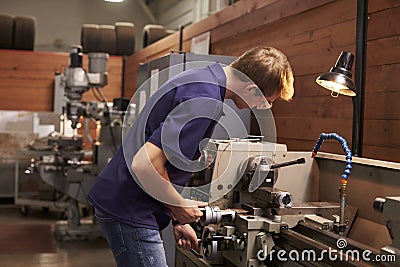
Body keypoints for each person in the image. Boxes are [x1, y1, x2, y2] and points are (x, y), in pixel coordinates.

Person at [88, 46, 294, 267]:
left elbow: (164, 161)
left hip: (129, 201)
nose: (266, 107)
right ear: (252, 89)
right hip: (131, 207)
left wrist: (176, 218)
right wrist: (177, 205)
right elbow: (144, 164)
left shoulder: (205, 79)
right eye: (267, 100)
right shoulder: (205, 99)